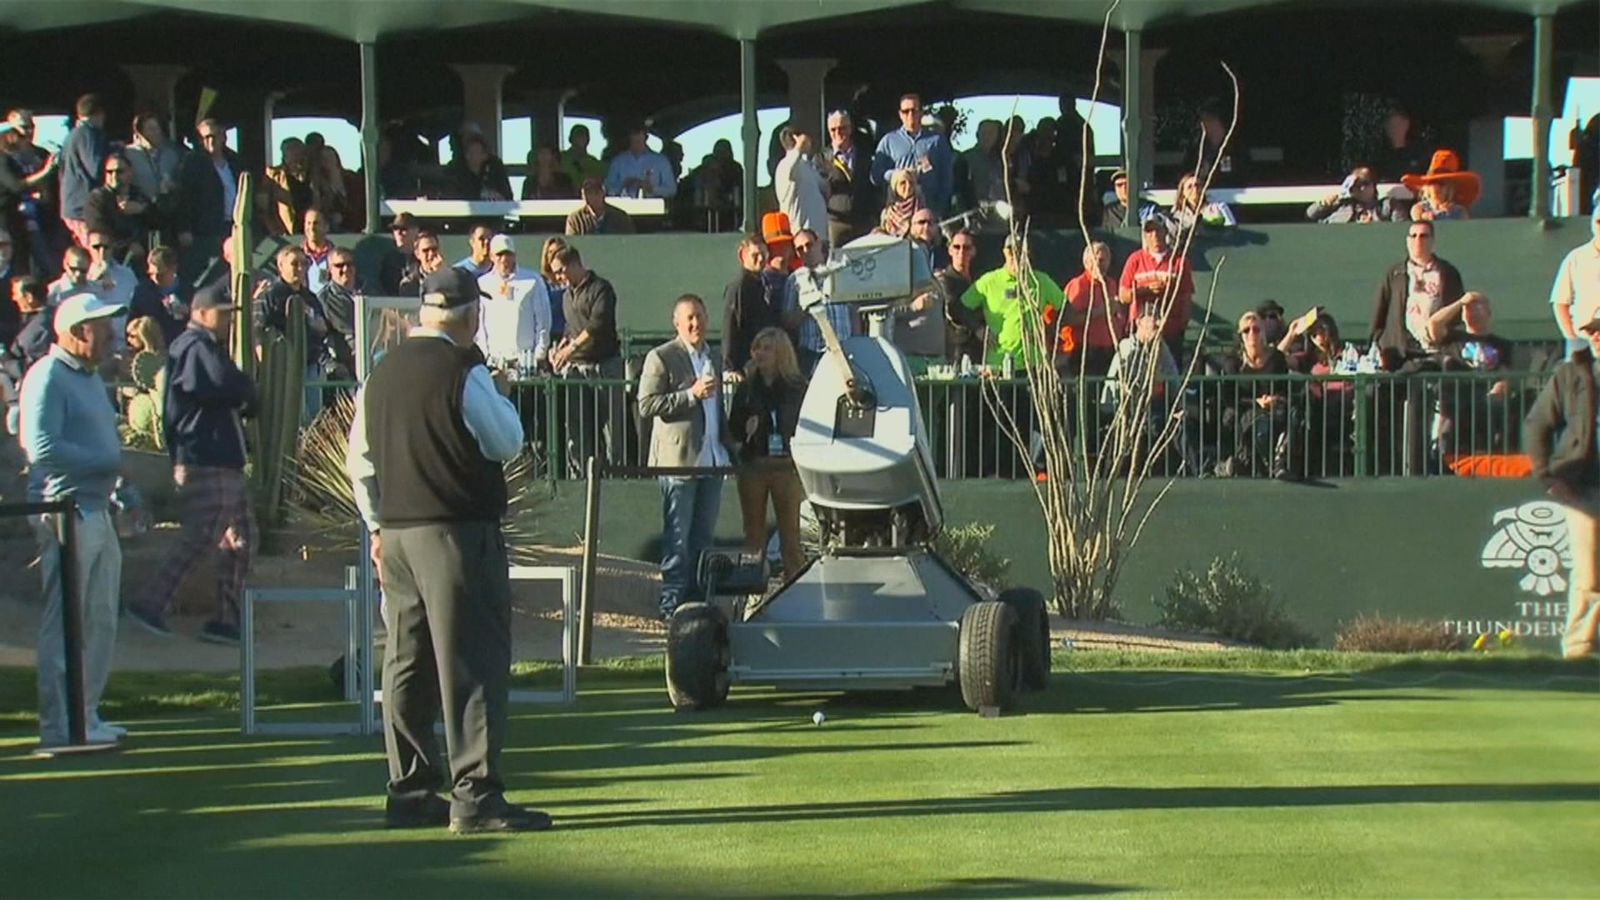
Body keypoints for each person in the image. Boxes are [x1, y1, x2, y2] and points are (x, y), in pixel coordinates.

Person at [346, 266, 549, 833]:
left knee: (406, 662)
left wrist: (377, 527)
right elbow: (506, 440)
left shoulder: (379, 374)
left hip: (398, 535)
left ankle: (409, 789)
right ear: (471, 317)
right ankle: (476, 795)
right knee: (473, 660)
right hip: (457, 534)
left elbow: (358, 462)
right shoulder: (465, 369)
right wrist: (503, 397)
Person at [19, 289, 128, 746]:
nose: (111, 335)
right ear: (77, 332)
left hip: (98, 508)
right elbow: (41, 448)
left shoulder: (88, 378)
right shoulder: (47, 375)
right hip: (65, 513)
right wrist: (104, 464)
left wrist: (120, 480)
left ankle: (86, 715)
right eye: (102, 327)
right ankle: (59, 724)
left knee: (100, 618)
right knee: (67, 621)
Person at [126, 284, 256, 644]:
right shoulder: (195, 346)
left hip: (221, 458)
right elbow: (226, 383)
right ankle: (150, 603)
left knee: (241, 539)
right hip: (205, 456)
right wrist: (248, 391)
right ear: (199, 313)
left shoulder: (202, 348)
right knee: (204, 534)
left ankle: (226, 621)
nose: (229, 320)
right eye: (223, 312)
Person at [637, 294, 733, 619]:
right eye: (689, 318)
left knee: (703, 537)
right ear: (677, 323)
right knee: (677, 537)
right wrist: (689, 395)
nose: (696, 324)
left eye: (700, 317)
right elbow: (646, 404)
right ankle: (671, 604)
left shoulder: (714, 357)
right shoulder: (661, 357)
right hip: (678, 462)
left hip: (712, 460)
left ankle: (699, 601)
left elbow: (717, 409)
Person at [1526, 308, 1600, 659]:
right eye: (1592, 330)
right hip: (1583, 485)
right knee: (1588, 573)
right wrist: (1545, 474)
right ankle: (1579, 648)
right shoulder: (1570, 374)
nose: (1596, 335)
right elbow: (1537, 424)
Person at [730, 327, 808, 579]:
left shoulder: (797, 387)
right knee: (753, 533)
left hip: (786, 466)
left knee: (790, 534)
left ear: (781, 353)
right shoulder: (747, 387)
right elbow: (733, 427)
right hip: (754, 464)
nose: (759, 353)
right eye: (756, 348)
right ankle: (752, 586)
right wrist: (745, 431)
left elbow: (805, 424)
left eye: (767, 348)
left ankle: (794, 584)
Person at [548, 244, 623, 476]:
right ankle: (579, 475)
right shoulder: (566, 296)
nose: (559, 277)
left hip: (604, 367)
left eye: (561, 270)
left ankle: (614, 475)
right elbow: (571, 329)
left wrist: (570, 348)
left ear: (575, 264)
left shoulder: (602, 289)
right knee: (577, 428)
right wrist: (558, 349)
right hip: (577, 371)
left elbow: (596, 325)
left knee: (612, 429)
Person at [1368, 218, 1465, 369]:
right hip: (1401, 352)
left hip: (1436, 351)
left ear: (1432, 241)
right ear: (1407, 241)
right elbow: (1381, 312)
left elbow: (1456, 314)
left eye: (1423, 236)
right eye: (1413, 236)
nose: (1418, 240)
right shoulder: (1395, 273)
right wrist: (1378, 343)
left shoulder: (1448, 273)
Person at [1217, 310, 1295, 479]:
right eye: (1246, 330)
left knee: (1292, 414)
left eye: (1256, 329)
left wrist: (1274, 398)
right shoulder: (1233, 362)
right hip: (1245, 409)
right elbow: (1230, 398)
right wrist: (1256, 402)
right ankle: (1248, 464)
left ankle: (1280, 462)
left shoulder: (1276, 358)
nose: (1251, 334)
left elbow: (1284, 389)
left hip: (1274, 408)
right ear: (1240, 336)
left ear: (1263, 333)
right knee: (1250, 420)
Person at [1118, 216, 1196, 366]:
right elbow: (1123, 296)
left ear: (1165, 232)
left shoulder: (1179, 261)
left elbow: (1187, 296)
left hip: (1170, 333)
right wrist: (1144, 290)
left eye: (1157, 230)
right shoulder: (1135, 259)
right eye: (1149, 232)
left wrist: (1180, 326)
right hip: (1140, 333)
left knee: (1170, 376)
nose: (1154, 236)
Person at [175, 119, 242, 285]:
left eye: (214, 136)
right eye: (205, 137)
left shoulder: (235, 161)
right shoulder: (193, 163)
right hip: (206, 229)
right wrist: (184, 228)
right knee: (209, 276)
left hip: (234, 226)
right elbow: (184, 197)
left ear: (223, 137)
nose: (210, 141)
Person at [475, 235, 550, 370]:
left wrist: (539, 354)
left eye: (508, 254)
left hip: (525, 362)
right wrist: (485, 355)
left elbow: (543, 321)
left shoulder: (533, 280)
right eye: (499, 254)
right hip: (495, 362)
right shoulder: (482, 284)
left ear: (515, 255)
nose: (504, 259)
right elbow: (480, 325)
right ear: (492, 256)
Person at [872, 93, 954, 216]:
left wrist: (940, 208)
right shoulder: (888, 141)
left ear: (921, 113)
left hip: (929, 212)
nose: (910, 115)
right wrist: (895, 174)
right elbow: (875, 175)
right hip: (899, 214)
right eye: (906, 111)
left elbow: (947, 177)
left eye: (914, 111)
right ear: (900, 114)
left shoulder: (937, 141)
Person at [786, 228, 853, 374]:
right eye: (800, 249)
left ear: (819, 244)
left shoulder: (841, 271)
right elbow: (788, 322)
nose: (805, 251)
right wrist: (806, 308)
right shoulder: (794, 280)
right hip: (811, 354)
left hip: (845, 350)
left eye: (809, 245)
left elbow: (853, 311)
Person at [721, 234, 780, 373]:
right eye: (755, 255)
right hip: (745, 362)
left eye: (764, 255)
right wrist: (729, 367)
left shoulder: (762, 283)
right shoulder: (739, 286)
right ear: (742, 256)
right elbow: (730, 325)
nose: (760, 259)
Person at [1064, 242, 1125, 377]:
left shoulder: (1112, 284)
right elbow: (1069, 319)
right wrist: (1101, 310)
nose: (1098, 264)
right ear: (1086, 263)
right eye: (1094, 260)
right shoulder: (1078, 285)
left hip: (1110, 352)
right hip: (1086, 354)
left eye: (1102, 260)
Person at [58, 94, 110, 248]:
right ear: (100, 113)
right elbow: (96, 168)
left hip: (72, 205)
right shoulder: (87, 134)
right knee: (95, 252)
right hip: (82, 207)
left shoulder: (71, 136)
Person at [1549, 206, 1600, 360]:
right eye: (1599, 222)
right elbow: (1560, 302)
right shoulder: (1576, 258)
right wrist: (1571, 336)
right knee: (1577, 382)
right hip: (1582, 340)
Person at [84, 152, 153, 262]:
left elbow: (159, 221)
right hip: (111, 258)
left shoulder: (138, 195)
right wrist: (127, 247)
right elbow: (97, 229)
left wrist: (142, 209)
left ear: (130, 172)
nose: (114, 176)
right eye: (109, 172)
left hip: (143, 256)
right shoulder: (97, 198)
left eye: (119, 171)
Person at [821, 111, 875, 246]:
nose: (838, 133)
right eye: (833, 130)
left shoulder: (865, 154)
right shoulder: (821, 159)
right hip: (836, 226)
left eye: (842, 128)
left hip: (864, 223)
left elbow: (875, 187)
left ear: (850, 128)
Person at [773, 125, 828, 240]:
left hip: (819, 239)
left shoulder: (807, 167)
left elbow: (825, 187)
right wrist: (799, 147)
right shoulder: (784, 165)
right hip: (801, 240)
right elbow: (790, 170)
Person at [130, 245, 191, 346]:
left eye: (160, 274)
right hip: (151, 351)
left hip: (180, 348)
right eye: (151, 274)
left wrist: (188, 312)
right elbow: (131, 325)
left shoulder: (189, 293)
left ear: (173, 268)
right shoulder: (142, 293)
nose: (155, 278)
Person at [1402, 149, 1479, 221]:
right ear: (1426, 187)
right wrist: (1424, 217)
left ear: (1451, 188)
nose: (1437, 187)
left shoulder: (1459, 210)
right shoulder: (1420, 208)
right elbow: (1416, 219)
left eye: (1442, 184)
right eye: (1433, 182)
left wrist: (1447, 215)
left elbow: (1464, 226)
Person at [1307, 166, 1401, 224]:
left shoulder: (1388, 205)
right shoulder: (1341, 204)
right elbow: (1311, 214)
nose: (1360, 188)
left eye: (1364, 183)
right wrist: (1324, 204)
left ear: (1373, 185)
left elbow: (1400, 228)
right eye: (1356, 185)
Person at [604, 125, 676, 199]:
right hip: (623, 207)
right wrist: (624, 184)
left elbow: (672, 190)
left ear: (646, 137)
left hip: (653, 208)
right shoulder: (618, 161)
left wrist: (652, 189)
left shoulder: (661, 161)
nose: (636, 139)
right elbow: (608, 188)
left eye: (639, 134)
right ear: (628, 137)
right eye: (633, 134)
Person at [261, 137, 314, 236]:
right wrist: (275, 230)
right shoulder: (273, 175)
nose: (296, 155)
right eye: (291, 150)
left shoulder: (313, 174)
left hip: (312, 230)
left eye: (299, 150)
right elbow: (264, 208)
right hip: (284, 231)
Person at [1372, 105, 1431, 184]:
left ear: (1406, 124)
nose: (1393, 128)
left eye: (1396, 124)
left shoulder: (1421, 155)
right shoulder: (1381, 157)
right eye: (1390, 125)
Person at [446, 134, 512, 202]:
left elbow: (508, 197)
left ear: (485, 155)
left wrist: (497, 196)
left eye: (473, 153)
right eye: (467, 152)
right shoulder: (458, 173)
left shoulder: (495, 172)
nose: (468, 156)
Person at [1169, 172, 1237, 233]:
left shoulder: (1219, 207)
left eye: (1197, 185)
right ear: (1183, 192)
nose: (1195, 189)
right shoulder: (1176, 212)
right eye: (1189, 187)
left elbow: (1231, 231)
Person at [565, 177, 636, 235]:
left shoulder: (620, 217)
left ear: (603, 193)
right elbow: (572, 243)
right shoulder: (575, 219)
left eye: (596, 192)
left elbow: (630, 241)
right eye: (587, 193)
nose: (592, 197)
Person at [380, 212, 420, 296]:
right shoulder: (389, 259)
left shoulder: (423, 258)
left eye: (404, 229)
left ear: (416, 231)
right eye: (395, 229)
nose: (399, 233)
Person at [877, 168, 924, 238]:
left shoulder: (921, 209)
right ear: (895, 187)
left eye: (911, 182)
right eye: (903, 183)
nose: (908, 186)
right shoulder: (887, 214)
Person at [560, 124, 607, 188]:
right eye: (578, 135)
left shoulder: (596, 164)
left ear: (588, 140)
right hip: (565, 196)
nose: (581, 138)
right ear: (570, 139)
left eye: (584, 135)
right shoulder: (560, 158)